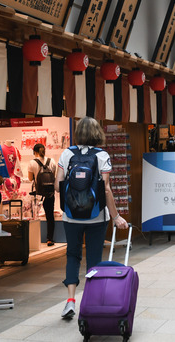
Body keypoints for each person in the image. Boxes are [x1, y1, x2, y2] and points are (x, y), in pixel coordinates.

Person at [56, 117, 128, 319]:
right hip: (97, 217)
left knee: (73, 255)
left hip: (71, 217)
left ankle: (70, 301)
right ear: (97, 133)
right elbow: (106, 189)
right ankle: (91, 300)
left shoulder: (67, 153)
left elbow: (57, 185)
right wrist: (116, 216)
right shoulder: (102, 155)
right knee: (95, 258)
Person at [28, 143, 57, 246]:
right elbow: (53, 176)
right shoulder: (52, 161)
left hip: (39, 193)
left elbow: (30, 178)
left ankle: (34, 239)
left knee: (34, 215)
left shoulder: (32, 163)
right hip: (50, 193)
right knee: (50, 216)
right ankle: (50, 239)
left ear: (34, 152)